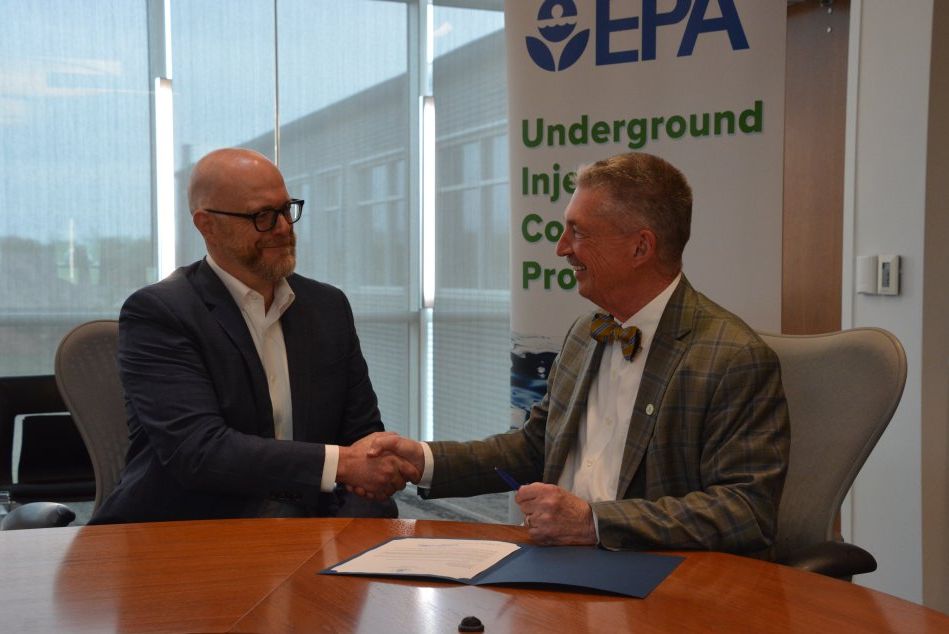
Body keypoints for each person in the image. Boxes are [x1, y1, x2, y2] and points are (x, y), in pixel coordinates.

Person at [369, 152, 790, 556]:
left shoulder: (733, 357)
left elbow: (746, 511)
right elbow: (535, 449)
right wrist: (422, 460)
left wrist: (595, 522)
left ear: (641, 248)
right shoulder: (584, 333)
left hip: (653, 581)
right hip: (554, 563)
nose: (561, 248)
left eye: (579, 232)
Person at [91, 148, 415, 524]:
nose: (282, 227)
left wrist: (350, 526)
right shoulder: (160, 313)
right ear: (206, 225)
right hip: (190, 533)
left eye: (286, 209)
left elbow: (364, 440)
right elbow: (200, 451)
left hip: (310, 529)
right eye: (261, 215)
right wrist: (341, 466)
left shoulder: (328, 307)